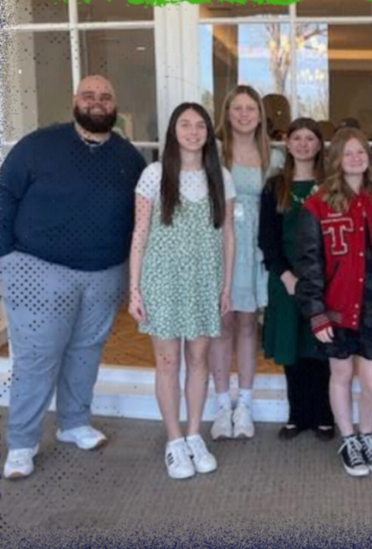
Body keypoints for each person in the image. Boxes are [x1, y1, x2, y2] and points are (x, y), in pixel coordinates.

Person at [0, 75, 145, 480]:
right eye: (89, 96)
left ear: (114, 106)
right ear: (75, 102)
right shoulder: (37, 146)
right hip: (37, 268)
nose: (97, 103)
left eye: (105, 97)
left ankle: (74, 423)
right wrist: (5, 257)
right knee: (37, 357)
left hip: (104, 272)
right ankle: (22, 443)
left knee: (86, 350)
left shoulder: (129, 157)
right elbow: (3, 195)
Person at [128, 103, 235, 480]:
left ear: (209, 132)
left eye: (200, 125)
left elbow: (228, 236)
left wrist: (226, 285)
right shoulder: (154, 175)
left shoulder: (219, 176)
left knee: (199, 358)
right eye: (185, 125)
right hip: (163, 280)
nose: (193, 131)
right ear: (173, 131)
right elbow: (140, 233)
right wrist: (134, 289)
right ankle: (174, 441)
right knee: (168, 361)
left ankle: (194, 435)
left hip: (205, 281)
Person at [296, 128, 372, 478]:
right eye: (347, 153)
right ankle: (348, 438)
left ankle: (367, 435)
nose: (355, 158)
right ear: (335, 159)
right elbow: (309, 264)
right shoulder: (317, 204)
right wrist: (316, 312)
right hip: (337, 306)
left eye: (361, 152)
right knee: (341, 373)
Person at [258, 117, 334, 441]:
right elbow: (268, 238)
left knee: (320, 348)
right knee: (293, 349)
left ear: (319, 145)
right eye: (297, 138)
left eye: (310, 138)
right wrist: (285, 274)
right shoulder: (276, 186)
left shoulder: (331, 185)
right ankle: (297, 414)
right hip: (286, 278)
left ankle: (324, 416)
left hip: (324, 280)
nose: (304, 144)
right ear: (287, 144)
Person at [209, 85, 270, 441]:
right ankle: (221, 405)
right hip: (224, 243)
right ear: (227, 113)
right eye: (237, 108)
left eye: (251, 108)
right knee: (222, 322)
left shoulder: (272, 156)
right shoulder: (214, 153)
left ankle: (244, 404)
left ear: (260, 115)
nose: (244, 114)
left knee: (248, 325)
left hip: (256, 247)